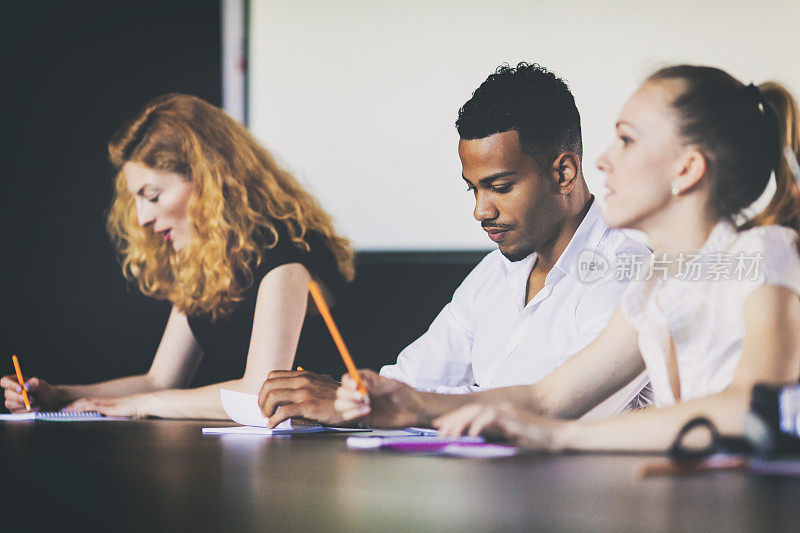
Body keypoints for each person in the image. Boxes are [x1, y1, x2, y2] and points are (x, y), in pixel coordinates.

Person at [337, 65, 800, 452]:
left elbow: (749, 406)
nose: (601, 159)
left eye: (627, 139)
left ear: (687, 168)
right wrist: (411, 404)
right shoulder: (656, 283)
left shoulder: (764, 252)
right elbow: (546, 397)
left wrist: (564, 436)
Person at [259, 63, 650, 428]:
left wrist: (399, 404)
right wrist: (348, 400)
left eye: (499, 187)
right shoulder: (494, 274)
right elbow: (412, 380)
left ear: (564, 173)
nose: (481, 211)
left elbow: (548, 410)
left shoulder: (627, 277)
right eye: (473, 188)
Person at [1, 94, 354, 419]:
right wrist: (60, 395)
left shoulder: (286, 257)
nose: (142, 218)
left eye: (152, 195)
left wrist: (142, 405)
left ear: (208, 182)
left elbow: (258, 395)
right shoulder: (207, 263)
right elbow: (159, 381)